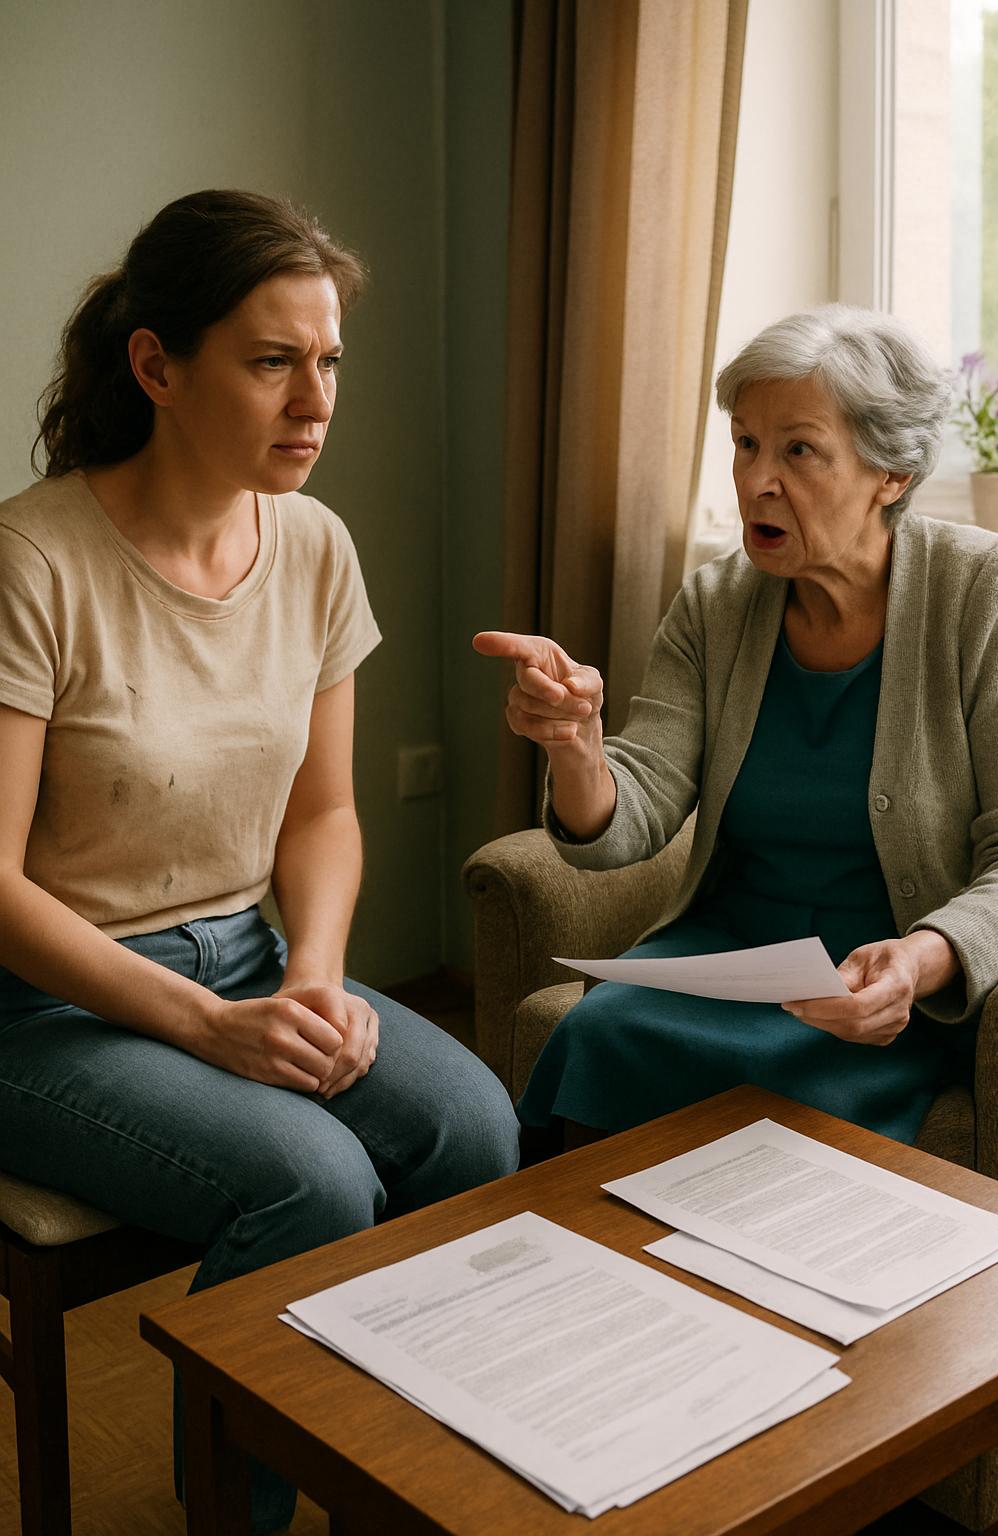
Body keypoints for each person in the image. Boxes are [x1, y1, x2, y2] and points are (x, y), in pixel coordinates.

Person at [0, 189, 518, 1535]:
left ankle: (394, 1482)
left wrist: (322, 981)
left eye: (329, 359)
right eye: (272, 360)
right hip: (45, 1006)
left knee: (475, 1129)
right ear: (158, 367)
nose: (316, 398)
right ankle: (237, 1510)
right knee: (314, 1181)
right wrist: (207, 1026)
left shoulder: (316, 546)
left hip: (253, 953)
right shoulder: (30, 560)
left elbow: (322, 816)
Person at [475, 304, 998, 1151]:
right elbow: (636, 811)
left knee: (779, 1085)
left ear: (892, 474)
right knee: (598, 1030)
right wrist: (577, 745)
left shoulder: (987, 594)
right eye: (745, 443)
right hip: (731, 952)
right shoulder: (716, 602)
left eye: (798, 449)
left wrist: (921, 958)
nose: (757, 480)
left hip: (877, 977)